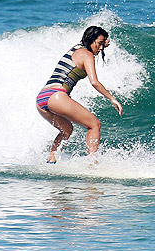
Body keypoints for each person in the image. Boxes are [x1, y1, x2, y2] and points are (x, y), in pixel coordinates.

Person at [36, 26, 123, 163]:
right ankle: (92, 164)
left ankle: (51, 162)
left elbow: (96, 43)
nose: (101, 48)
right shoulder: (87, 54)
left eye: (103, 44)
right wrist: (112, 98)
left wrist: (103, 42)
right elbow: (94, 82)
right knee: (94, 124)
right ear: (91, 40)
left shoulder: (75, 48)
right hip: (56, 95)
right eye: (99, 43)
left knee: (67, 129)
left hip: (42, 98)